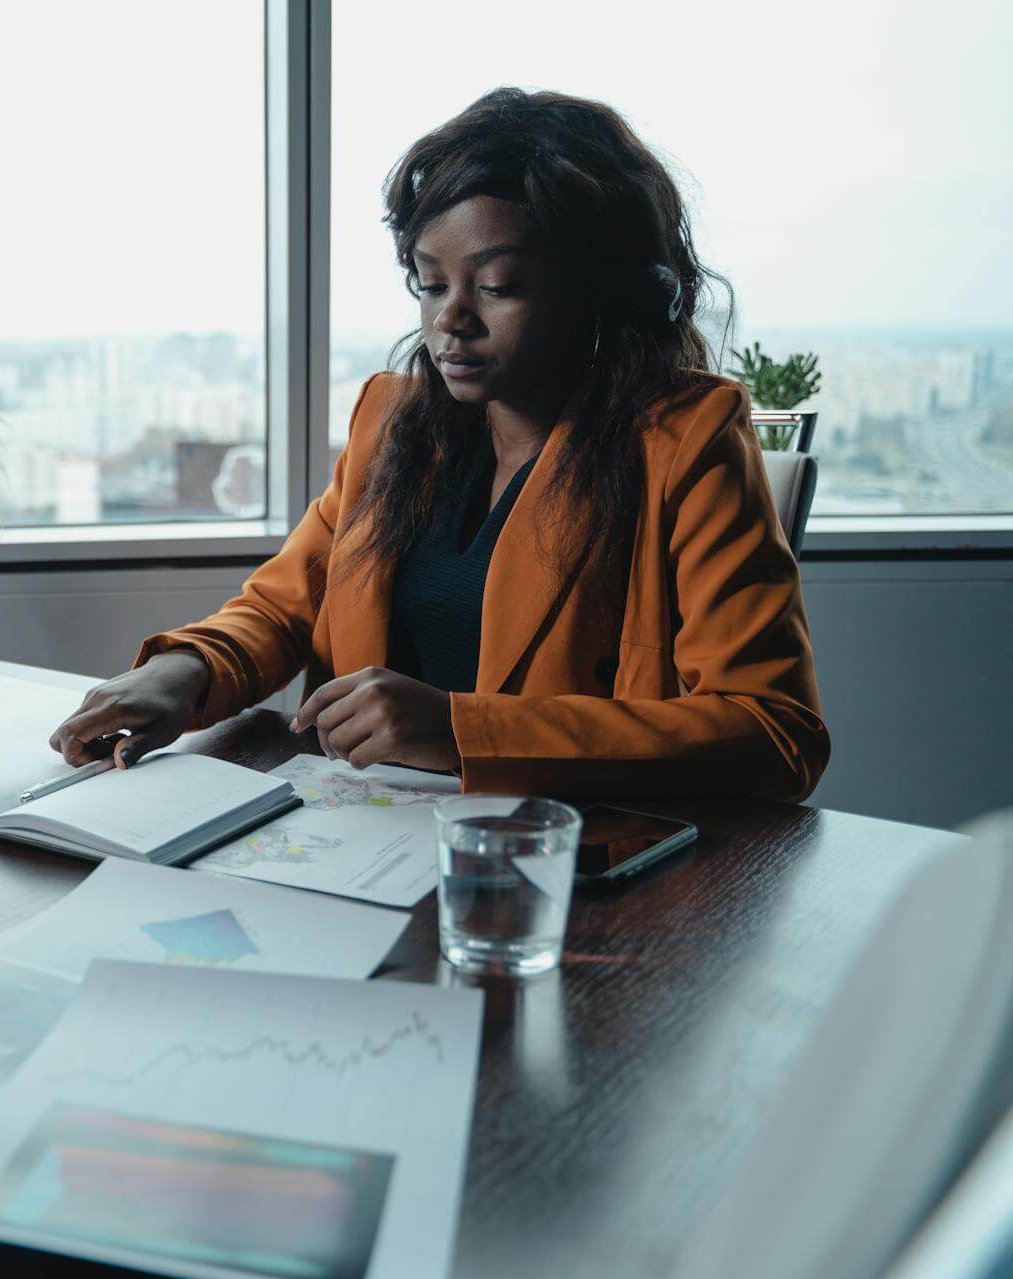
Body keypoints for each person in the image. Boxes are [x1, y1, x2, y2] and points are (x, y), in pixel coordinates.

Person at [50, 88, 829, 802]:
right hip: (357, 834)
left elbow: (773, 734)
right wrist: (184, 672)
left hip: (556, 866)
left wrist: (460, 730)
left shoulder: (683, 442)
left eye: (497, 288)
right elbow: (286, 607)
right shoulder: (394, 423)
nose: (450, 319)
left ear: (604, 292)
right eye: (430, 284)